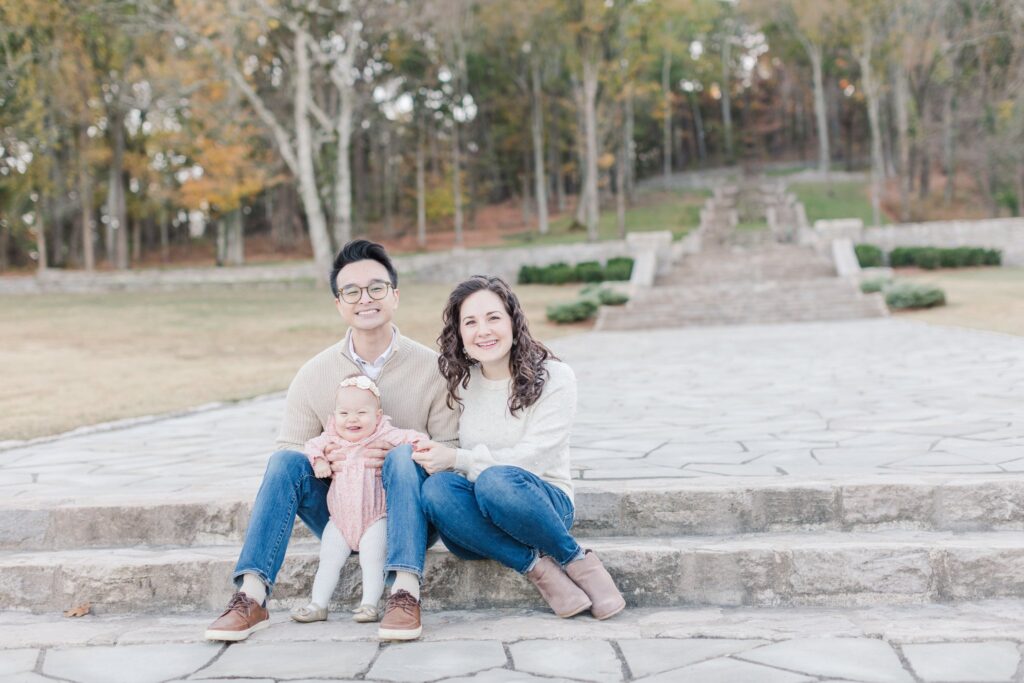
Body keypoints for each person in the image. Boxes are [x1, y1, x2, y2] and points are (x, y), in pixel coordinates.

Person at [204, 240, 457, 642]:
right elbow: (290, 449)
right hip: (339, 515)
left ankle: (405, 591)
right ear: (339, 304)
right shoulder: (314, 373)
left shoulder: (433, 368)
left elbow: (451, 452)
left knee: (401, 457)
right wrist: (328, 457)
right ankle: (251, 595)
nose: (365, 299)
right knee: (283, 463)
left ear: (395, 295)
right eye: (351, 291)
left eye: (376, 288)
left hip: (408, 519)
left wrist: (407, 450)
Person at [412, 275, 626, 622]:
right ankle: (538, 569)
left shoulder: (554, 376)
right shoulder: (461, 385)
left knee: (495, 481)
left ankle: (575, 560)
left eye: (493, 317)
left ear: (513, 321)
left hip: (542, 502)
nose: (483, 330)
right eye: (471, 322)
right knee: (436, 489)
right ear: (460, 335)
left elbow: (535, 457)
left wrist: (459, 459)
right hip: (479, 517)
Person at [290, 374, 428, 624]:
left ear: (377, 416)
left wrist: (402, 452)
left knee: (372, 559)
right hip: (340, 520)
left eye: (361, 413)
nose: (352, 419)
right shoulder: (331, 439)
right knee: (328, 560)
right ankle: (318, 604)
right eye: (344, 414)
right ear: (334, 417)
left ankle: (369, 605)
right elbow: (309, 445)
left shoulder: (384, 435)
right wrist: (320, 460)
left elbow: (417, 439)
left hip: (375, 517)